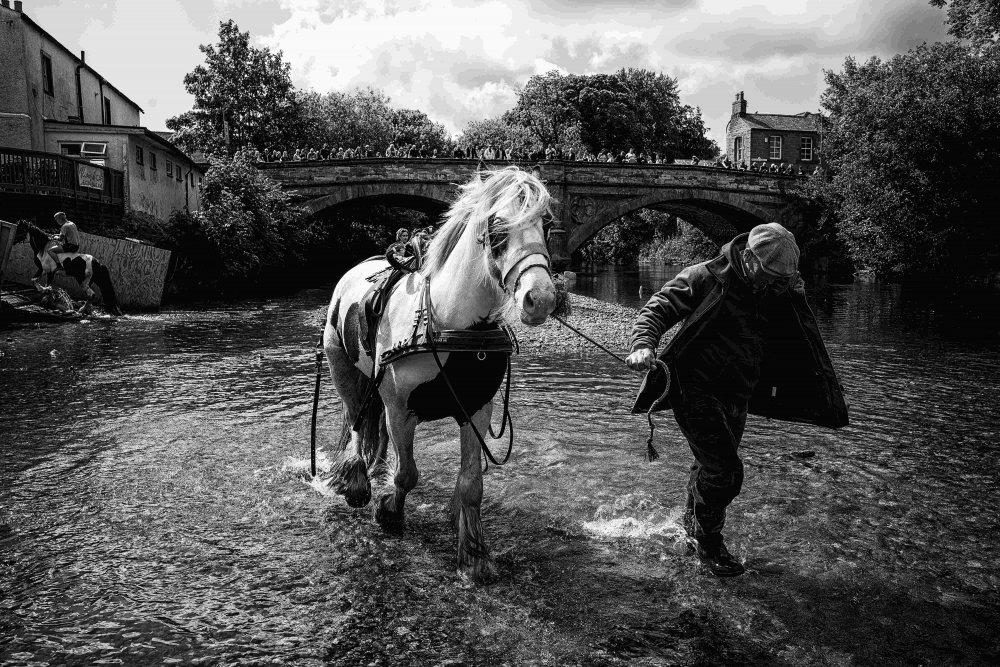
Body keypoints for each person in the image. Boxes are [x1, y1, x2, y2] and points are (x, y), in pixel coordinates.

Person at [625, 222, 847, 577]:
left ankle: (691, 533)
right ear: (748, 257)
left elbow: (799, 339)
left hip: (738, 394)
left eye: (782, 280)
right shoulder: (706, 276)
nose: (775, 286)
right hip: (694, 388)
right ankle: (710, 543)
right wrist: (642, 346)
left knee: (708, 467)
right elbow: (659, 307)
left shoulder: (780, 287)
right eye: (770, 277)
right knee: (726, 472)